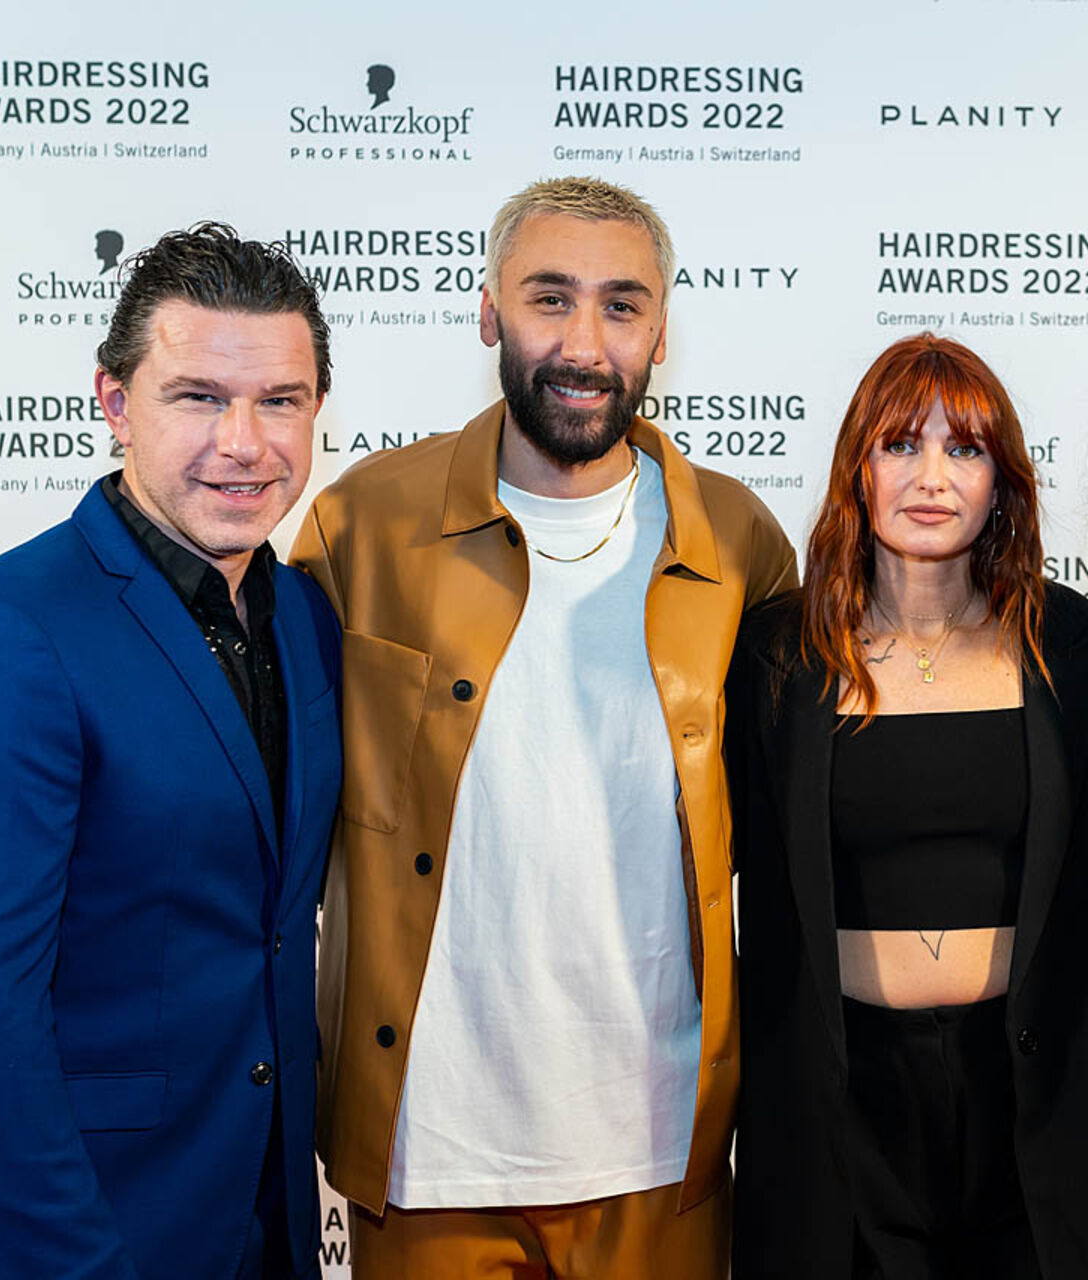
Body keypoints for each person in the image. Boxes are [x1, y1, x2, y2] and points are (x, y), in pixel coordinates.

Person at [291, 176, 796, 1278]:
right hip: (427, 1155)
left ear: (661, 332)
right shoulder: (361, 525)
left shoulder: (739, 543)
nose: (583, 342)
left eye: (622, 305)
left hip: (659, 1153)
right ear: (489, 313)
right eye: (549, 298)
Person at [0, 223, 342, 1279]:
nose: (244, 443)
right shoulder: (2, 633)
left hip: (253, 1221)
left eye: (280, 400)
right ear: (116, 403)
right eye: (199, 397)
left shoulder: (306, 617)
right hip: (60, 1235)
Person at [726, 334, 1088, 1279]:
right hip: (839, 1103)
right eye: (899, 445)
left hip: (1033, 1100)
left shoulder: (1073, 647)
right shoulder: (776, 657)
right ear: (857, 469)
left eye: (964, 449)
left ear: (1003, 482)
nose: (931, 478)